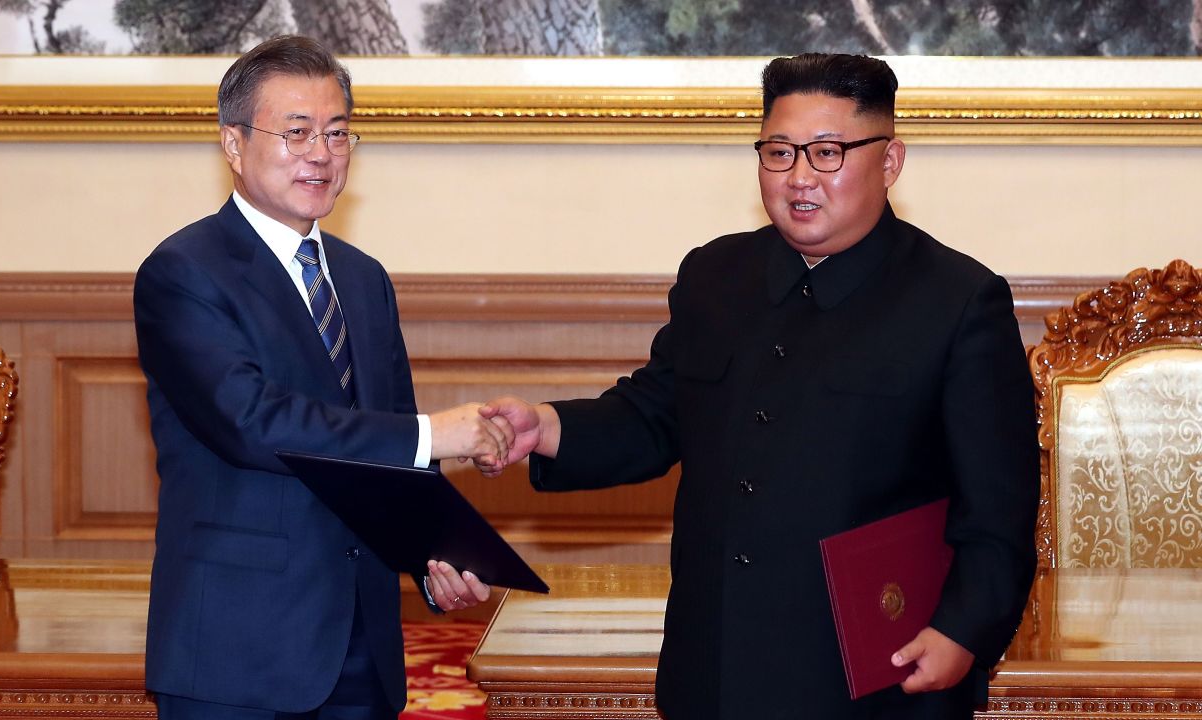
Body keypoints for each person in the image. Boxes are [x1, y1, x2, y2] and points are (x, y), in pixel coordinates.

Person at [479, 53, 1039, 719]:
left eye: (827, 152)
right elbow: (656, 415)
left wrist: (963, 631)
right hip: (717, 666)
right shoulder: (717, 276)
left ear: (889, 162)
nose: (799, 177)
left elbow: (999, 512)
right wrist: (548, 428)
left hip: (873, 680)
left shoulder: (957, 301)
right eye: (779, 152)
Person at [134, 35, 504, 720]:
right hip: (238, 653)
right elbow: (253, 422)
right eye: (297, 131)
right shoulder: (183, 272)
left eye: (337, 134)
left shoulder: (363, 280)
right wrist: (433, 434)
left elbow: (386, 455)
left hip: (361, 646)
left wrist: (435, 560)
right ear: (233, 144)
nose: (321, 153)